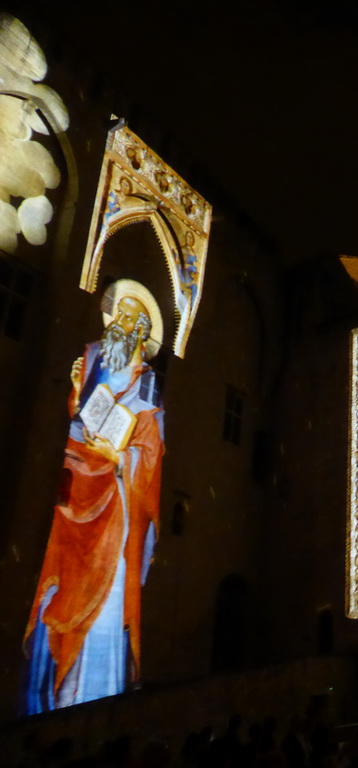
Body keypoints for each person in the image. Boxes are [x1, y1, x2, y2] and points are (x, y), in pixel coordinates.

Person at [23, 280, 165, 713]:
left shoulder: (151, 385)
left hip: (116, 507)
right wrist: (73, 394)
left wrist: (121, 459)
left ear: (143, 332)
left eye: (132, 318)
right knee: (57, 590)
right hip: (73, 494)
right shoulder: (91, 359)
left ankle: (90, 703)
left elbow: (150, 451)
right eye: (119, 314)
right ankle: (48, 700)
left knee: (106, 601)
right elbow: (79, 417)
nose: (122, 323)